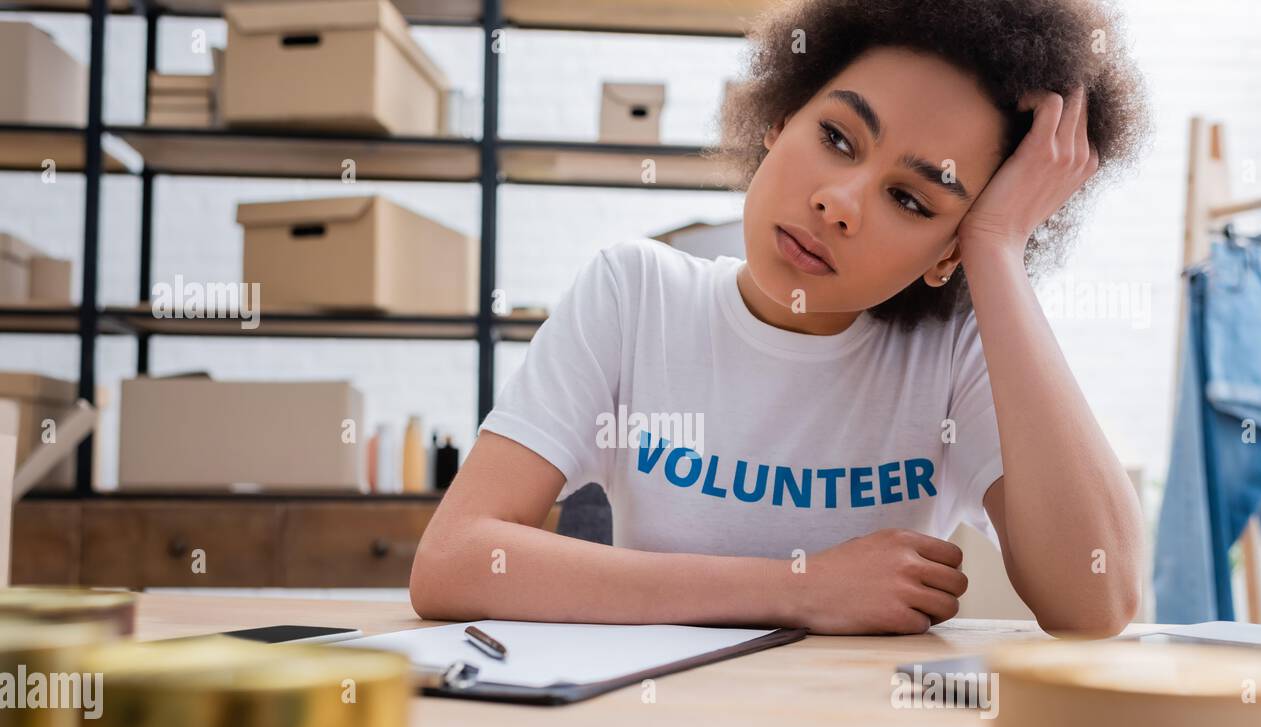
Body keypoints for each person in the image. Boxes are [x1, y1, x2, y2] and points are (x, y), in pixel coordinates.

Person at [411, 0, 1153, 636]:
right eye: (836, 137)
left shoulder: (953, 349)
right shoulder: (634, 296)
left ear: (945, 256)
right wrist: (799, 589)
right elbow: (454, 560)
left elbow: (1100, 598)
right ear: (779, 119)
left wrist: (996, 249)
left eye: (912, 200)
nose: (841, 201)